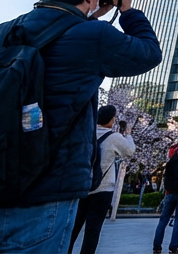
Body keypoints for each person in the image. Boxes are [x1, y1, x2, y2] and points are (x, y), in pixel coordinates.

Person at [0, 0, 163, 254]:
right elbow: (149, 52)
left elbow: (56, 36)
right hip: (43, 194)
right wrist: (126, 10)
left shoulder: (4, 32)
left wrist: (89, 13)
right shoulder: (94, 36)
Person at [69, 104, 135, 254]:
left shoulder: (88, 132)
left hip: (82, 186)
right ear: (112, 120)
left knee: (74, 226)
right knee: (93, 229)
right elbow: (130, 151)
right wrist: (128, 134)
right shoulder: (114, 137)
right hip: (103, 188)